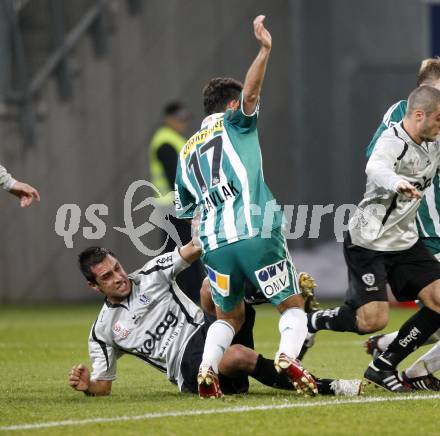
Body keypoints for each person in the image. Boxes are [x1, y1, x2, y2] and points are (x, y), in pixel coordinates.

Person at [174, 15, 316, 398]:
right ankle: (289, 357)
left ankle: (207, 369)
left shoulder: (186, 151)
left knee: (230, 315)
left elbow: (185, 208)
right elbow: (252, 95)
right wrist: (265, 50)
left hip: (214, 246)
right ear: (232, 105)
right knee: (292, 304)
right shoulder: (236, 123)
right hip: (254, 229)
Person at [68, 242, 361, 397]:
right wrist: (87, 386)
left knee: (211, 286)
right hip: (187, 367)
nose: (119, 277)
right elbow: (103, 385)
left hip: (208, 329)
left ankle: (280, 298)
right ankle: (329, 385)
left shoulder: (151, 274)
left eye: (117, 268)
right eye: (107, 276)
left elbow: (194, 247)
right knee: (237, 355)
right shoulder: (103, 331)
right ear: (94, 286)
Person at [305, 86, 440, 392]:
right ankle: (313, 321)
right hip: (369, 242)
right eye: (439, 119)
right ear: (419, 115)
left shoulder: (432, 143)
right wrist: (397, 183)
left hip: (405, 242)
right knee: (372, 321)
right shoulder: (393, 140)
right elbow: (375, 166)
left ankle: (383, 364)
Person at [360, 59, 440, 392]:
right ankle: (310, 323)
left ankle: (393, 350)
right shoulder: (405, 114)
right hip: (422, 229)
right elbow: (375, 158)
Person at [149, 101, 203, 302]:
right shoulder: (165, 141)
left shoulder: (173, 139)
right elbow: (175, 177)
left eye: (184, 119)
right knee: (184, 251)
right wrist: (189, 204)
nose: (182, 123)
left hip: (173, 205)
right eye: (179, 119)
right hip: (175, 206)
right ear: (168, 118)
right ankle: (186, 294)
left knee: (178, 251)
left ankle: (175, 295)